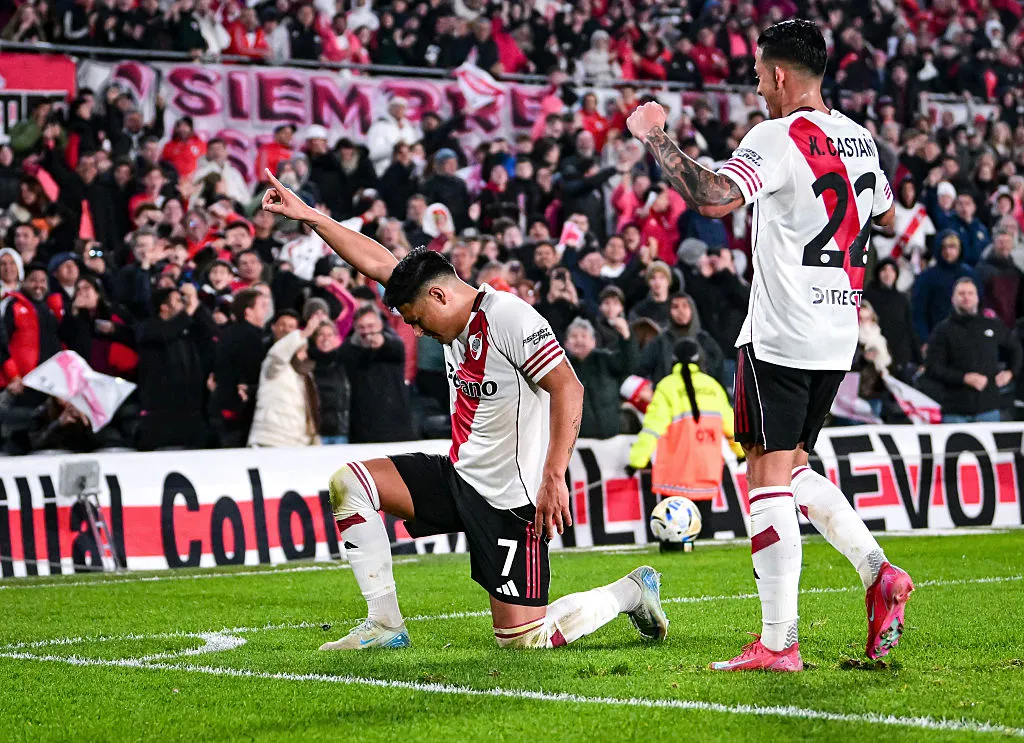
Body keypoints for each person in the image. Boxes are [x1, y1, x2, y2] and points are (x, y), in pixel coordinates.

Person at [261, 169, 668, 652]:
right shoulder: (444, 312)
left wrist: (554, 475)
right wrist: (308, 215)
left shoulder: (509, 317)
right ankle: (386, 625)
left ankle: (630, 591)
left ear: (439, 294)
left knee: (522, 642)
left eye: (417, 319)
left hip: (509, 502)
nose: (416, 330)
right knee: (350, 483)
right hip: (459, 478)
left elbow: (569, 389)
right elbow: (378, 261)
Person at [628, 19, 911, 670]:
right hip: (839, 333)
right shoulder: (862, 141)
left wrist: (657, 139)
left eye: (758, 76)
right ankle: (878, 571)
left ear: (781, 75)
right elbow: (888, 216)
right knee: (796, 465)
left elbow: (712, 197)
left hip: (782, 332)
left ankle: (779, 641)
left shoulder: (778, 137)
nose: (756, 88)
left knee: (765, 475)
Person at [628, 338, 743, 535]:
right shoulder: (713, 386)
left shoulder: (666, 386)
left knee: (672, 531)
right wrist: (740, 453)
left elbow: (652, 428)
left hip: (675, 473)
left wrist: (636, 461)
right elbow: (732, 427)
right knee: (704, 528)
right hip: (707, 470)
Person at [925, 277, 1022, 424]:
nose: (966, 297)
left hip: (988, 409)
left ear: (977, 298)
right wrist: (964, 378)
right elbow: (933, 367)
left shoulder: (992, 325)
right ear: (953, 299)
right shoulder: (943, 330)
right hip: (955, 411)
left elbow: (1015, 348)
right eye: (961, 293)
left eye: (970, 293)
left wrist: (1011, 372)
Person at [135, 284, 216, 450]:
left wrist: (197, 307)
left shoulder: (188, 328)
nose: (183, 304)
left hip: (192, 410)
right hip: (160, 415)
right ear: (164, 307)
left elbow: (212, 332)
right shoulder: (148, 328)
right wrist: (190, 310)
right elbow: (166, 333)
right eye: (179, 300)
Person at [248, 308, 326, 448]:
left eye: (292, 327)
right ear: (273, 328)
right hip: (272, 440)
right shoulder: (272, 362)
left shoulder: (305, 372)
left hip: (298, 441)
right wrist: (304, 332)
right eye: (282, 325)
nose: (287, 330)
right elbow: (279, 355)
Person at [338, 306, 415, 443]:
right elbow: (344, 354)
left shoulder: (393, 344)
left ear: (380, 325)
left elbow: (394, 346)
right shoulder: (348, 350)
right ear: (355, 327)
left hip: (395, 427)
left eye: (371, 326)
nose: (367, 331)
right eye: (361, 327)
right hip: (362, 430)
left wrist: (381, 342)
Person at [209, 289, 269, 448]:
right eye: (262, 306)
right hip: (237, 413)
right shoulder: (248, 337)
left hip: (227, 409)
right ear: (248, 311)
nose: (266, 310)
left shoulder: (232, 333)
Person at [564, 317, 636, 439]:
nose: (579, 340)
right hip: (579, 441)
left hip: (612, 436)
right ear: (566, 343)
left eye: (583, 336)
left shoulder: (605, 359)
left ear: (593, 341)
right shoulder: (562, 368)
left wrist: (626, 337)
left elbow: (629, 365)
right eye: (574, 336)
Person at [309, 320, 351, 445]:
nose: (325, 338)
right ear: (315, 338)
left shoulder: (345, 361)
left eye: (330, 334)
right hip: (316, 433)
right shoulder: (307, 365)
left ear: (336, 338)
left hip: (341, 432)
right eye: (321, 334)